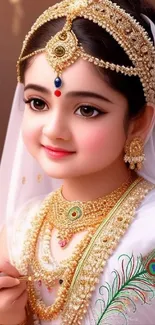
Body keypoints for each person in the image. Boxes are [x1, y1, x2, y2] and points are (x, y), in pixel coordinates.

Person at [0, 0, 155, 324]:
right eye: (37, 102)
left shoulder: (149, 231)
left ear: (139, 122)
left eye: (87, 109)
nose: (54, 130)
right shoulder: (21, 227)